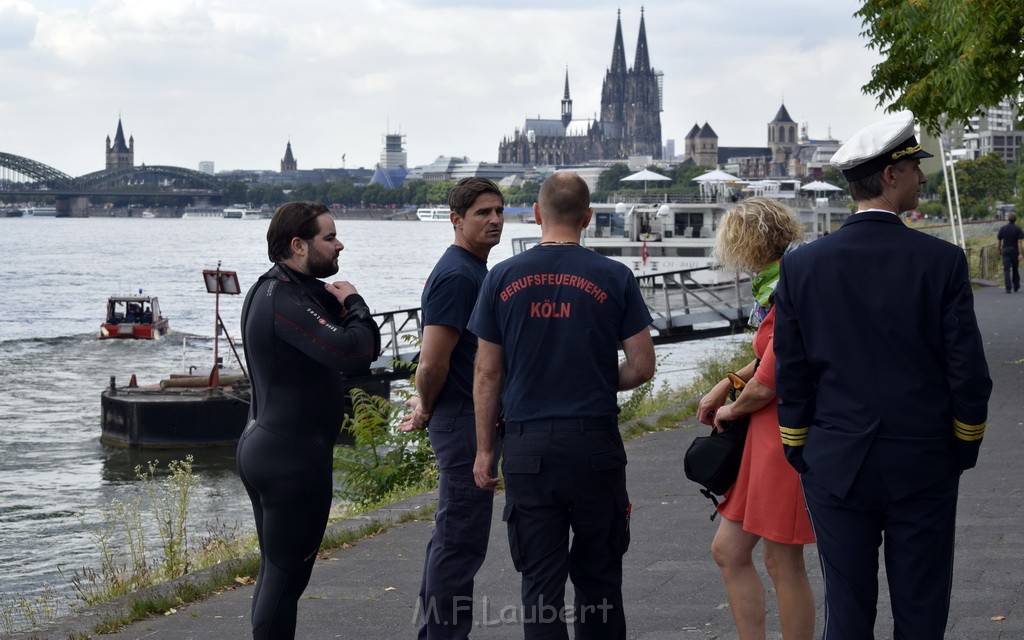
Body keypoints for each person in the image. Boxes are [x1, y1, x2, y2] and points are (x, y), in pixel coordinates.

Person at [773, 110, 992, 639]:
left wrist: (800, 447)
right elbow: (968, 373)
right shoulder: (940, 261)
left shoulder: (802, 265)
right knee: (921, 607)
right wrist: (962, 446)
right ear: (891, 177)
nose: (922, 175)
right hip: (923, 458)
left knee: (846, 612)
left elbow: (793, 372)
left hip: (836, 461)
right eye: (914, 166)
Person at [470, 172, 656, 639]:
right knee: (600, 583)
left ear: (536, 214)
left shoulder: (501, 277)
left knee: (540, 586)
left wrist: (484, 450)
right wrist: (591, 377)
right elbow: (642, 366)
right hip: (595, 444)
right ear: (588, 218)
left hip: (529, 447)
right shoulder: (615, 276)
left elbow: (487, 373)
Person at [236, 201, 381, 640]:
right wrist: (354, 301)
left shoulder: (279, 290)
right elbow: (357, 351)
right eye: (330, 237)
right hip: (291, 459)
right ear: (298, 245)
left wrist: (337, 305)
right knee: (285, 580)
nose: (340, 244)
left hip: (270, 445)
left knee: (278, 575)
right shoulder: (284, 298)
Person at [696, 197, 815, 640]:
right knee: (730, 551)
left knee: (783, 560)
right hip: (765, 439)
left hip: (783, 435)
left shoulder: (787, 289)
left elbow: (771, 380)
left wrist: (730, 405)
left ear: (747, 244)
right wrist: (726, 382)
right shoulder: (779, 283)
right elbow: (770, 357)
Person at [397, 177, 505, 639]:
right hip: (463, 418)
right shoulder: (459, 275)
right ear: (456, 220)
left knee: (453, 538)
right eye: (483, 213)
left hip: (465, 415)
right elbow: (432, 362)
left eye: (499, 211)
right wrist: (424, 406)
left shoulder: (474, 269)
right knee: (460, 541)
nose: (495, 220)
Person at [996, 212, 1023, 293]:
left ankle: (1008, 288)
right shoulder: (1018, 229)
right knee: (1015, 268)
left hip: (1005, 250)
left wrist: (999, 250)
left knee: (1006, 270)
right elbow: (1020, 242)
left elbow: (999, 240)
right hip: (1014, 251)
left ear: (1008, 219)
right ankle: (1016, 286)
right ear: (1015, 219)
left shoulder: (1003, 228)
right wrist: (1020, 253)